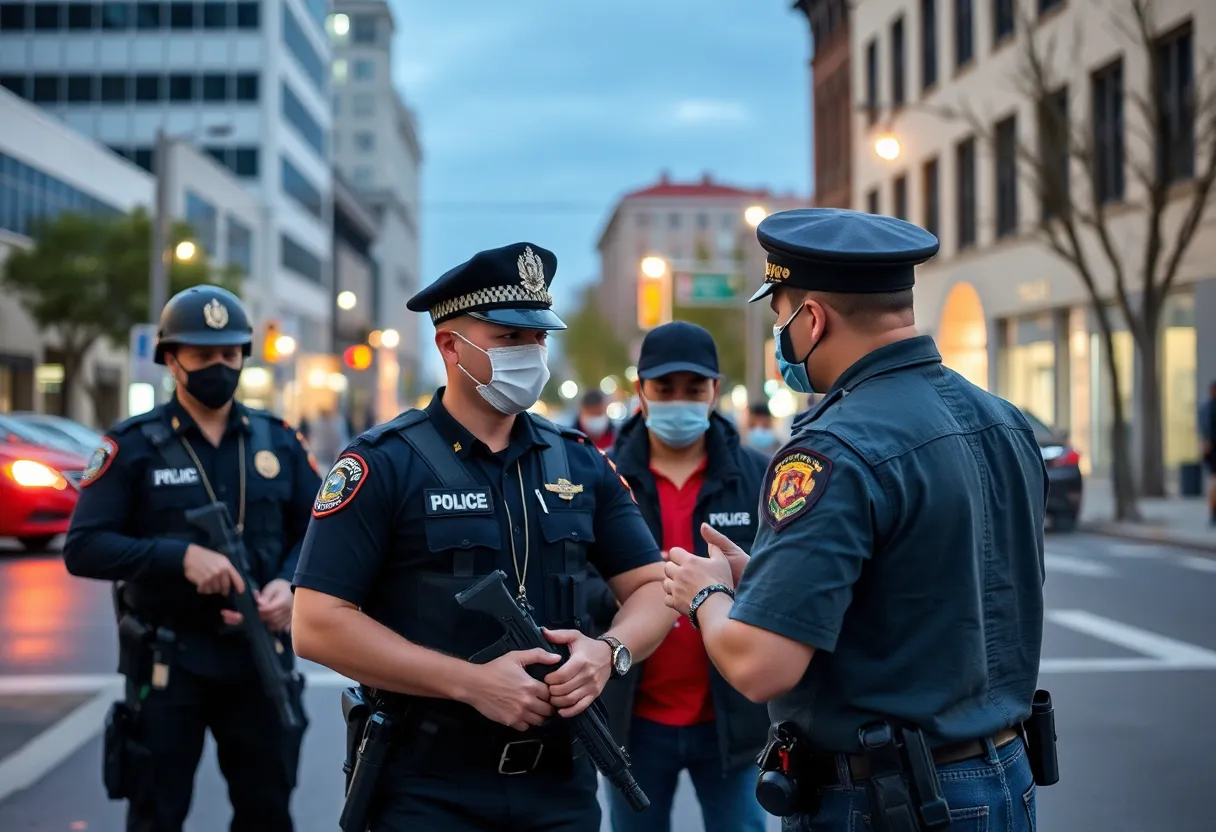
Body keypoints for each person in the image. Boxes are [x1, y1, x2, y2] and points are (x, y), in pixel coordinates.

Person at [660, 208, 1051, 832]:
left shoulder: (833, 449)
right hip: (1004, 775)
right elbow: (921, 586)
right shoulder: (1002, 420)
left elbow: (760, 665)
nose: (781, 340)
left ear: (812, 319)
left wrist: (705, 594)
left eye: (780, 318)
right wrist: (763, 580)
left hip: (888, 803)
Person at [290, 242, 676, 832]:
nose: (531, 354)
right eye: (508, 338)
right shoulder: (383, 464)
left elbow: (652, 587)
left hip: (561, 787)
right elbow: (316, 622)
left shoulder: (577, 462)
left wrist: (609, 653)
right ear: (449, 345)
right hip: (428, 788)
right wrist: (470, 684)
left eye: (538, 339)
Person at [63, 285, 321, 832]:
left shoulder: (277, 442)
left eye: (230, 355)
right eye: (204, 356)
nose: (219, 367)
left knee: (268, 813)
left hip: (261, 659)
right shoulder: (130, 446)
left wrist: (287, 586)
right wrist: (176, 557)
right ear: (172, 359)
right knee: (157, 815)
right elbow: (84, 547)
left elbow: (317, 532)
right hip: (168, 663)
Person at [582, 321, 770, 832]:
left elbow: (781, 579)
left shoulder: (759, 476)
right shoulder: (601, 478)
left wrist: (725, 586)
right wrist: (641, 592)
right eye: (665, 389)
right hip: (632, 718)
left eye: (694, 389)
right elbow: (578, 573)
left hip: (730, 717)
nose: (679, 402)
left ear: (715, 390)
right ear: (641, 392)